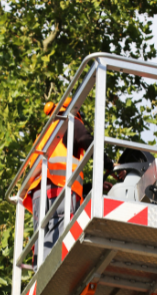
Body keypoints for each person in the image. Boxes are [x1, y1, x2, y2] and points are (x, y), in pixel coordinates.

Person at [23, 97, 117, 267]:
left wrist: (91, 187)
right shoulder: (69, 122)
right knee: (59, 241)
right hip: (60, 194)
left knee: (42, 237)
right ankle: (50, 271)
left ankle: (39, 273)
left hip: (39, 194)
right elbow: (86, 140)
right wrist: (109, 164)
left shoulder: (46, 134)